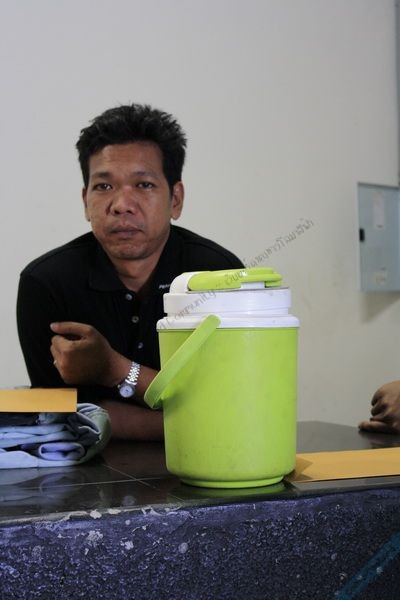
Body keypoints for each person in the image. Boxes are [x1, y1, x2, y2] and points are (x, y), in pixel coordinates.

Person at [17, 104, 243, 441]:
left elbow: (232, 407)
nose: (122, 205)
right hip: (87, 470)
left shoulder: (221, 276)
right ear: (85, 201)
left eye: (144, 184)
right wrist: (190, 418)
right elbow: (59, 420)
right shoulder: (47, 283)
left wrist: (114, 369)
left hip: (209, 462)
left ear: (176, 199)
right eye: (104, 187)